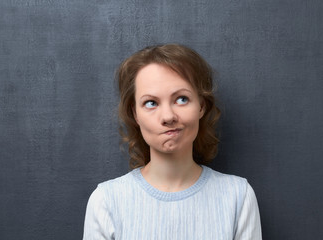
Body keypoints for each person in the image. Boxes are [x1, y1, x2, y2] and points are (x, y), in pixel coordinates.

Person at [83, 44, 262, 240]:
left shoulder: (238, 197)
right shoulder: (106, 202)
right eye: (151, 103)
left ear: (201, 106)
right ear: (135, 114)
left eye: (182, 99)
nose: (168, 116)